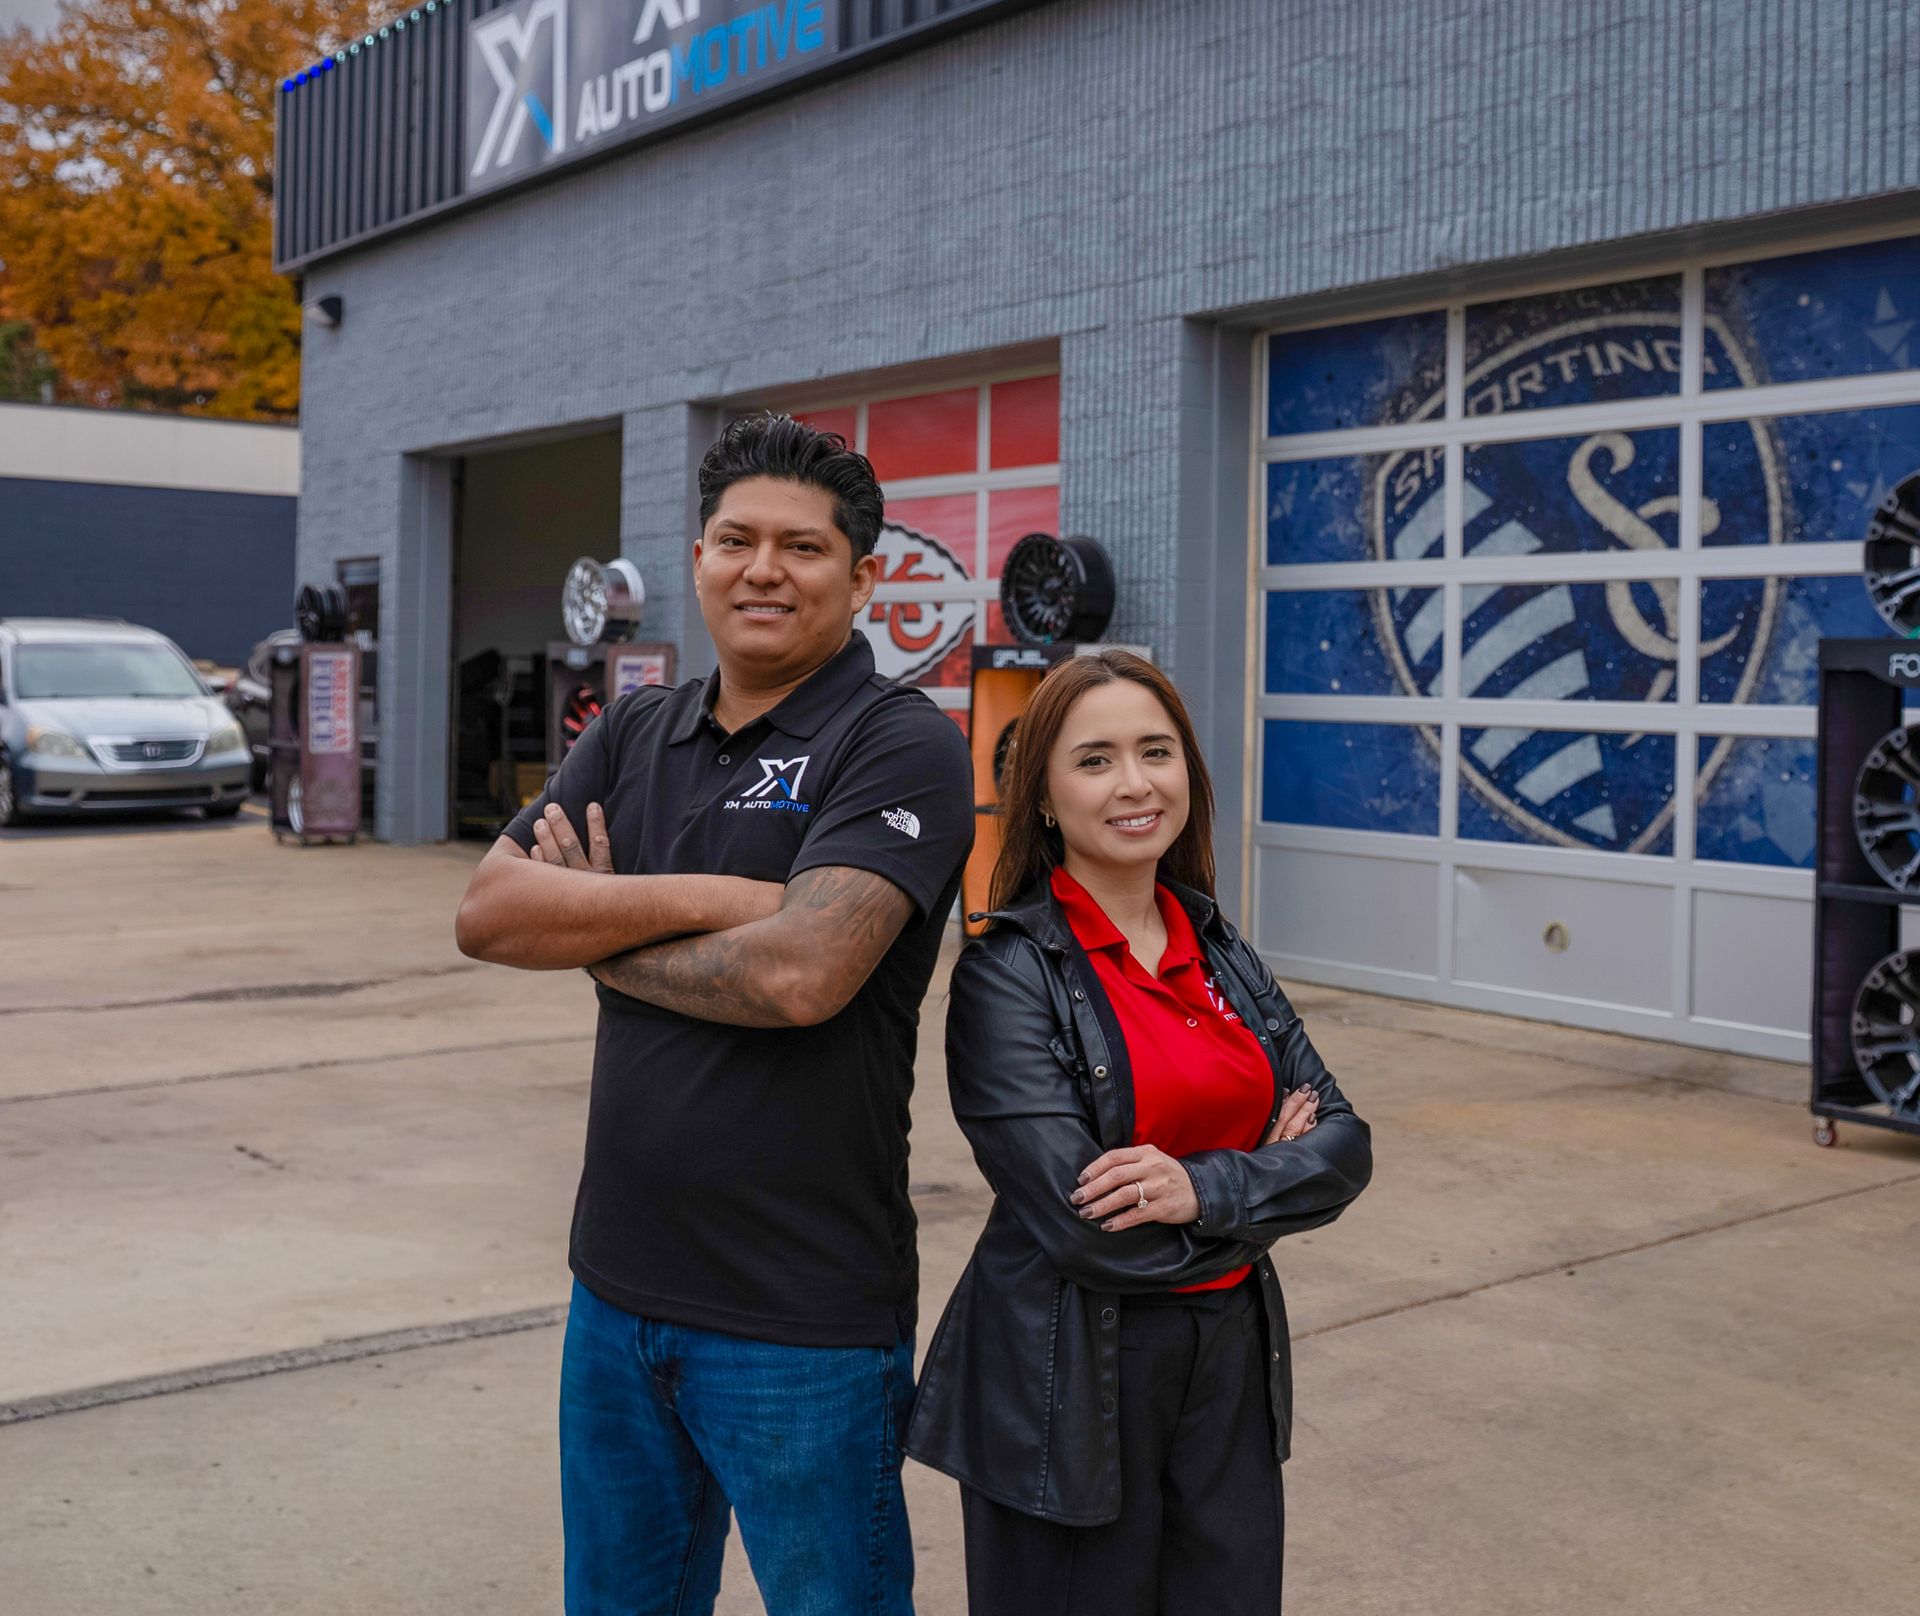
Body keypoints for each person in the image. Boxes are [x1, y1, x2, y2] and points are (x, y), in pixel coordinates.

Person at [455, 414, 974, 1616]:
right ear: (697, 557)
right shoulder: (639, 728)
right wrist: (707, 903)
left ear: (865, 574)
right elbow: (488, 913)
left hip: (799, 1320)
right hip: (616, 1294)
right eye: (735, 540)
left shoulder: (898, 742)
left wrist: (596, 927)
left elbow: (802, 974)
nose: (763, 569)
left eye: (801, 547)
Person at [904, 649, 1373, 1614]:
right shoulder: (1008, 975)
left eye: (1155, 752)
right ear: (1040, 796)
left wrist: (1208, 1186)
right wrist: (1272, 1169)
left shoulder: (1221, 950)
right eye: (1095, 759)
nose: (1133, 783)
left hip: (1229, 1363)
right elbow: (1088, 1226)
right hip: (1065, 1377)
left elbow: (1346, 1143)